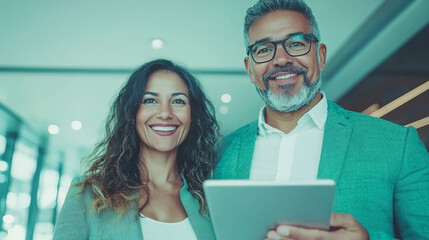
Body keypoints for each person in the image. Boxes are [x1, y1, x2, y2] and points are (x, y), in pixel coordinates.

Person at [215, 0, 429, 239]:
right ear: (250, 69)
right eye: (264, 50)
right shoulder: (219, 155)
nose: (282, 59)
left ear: (321, 56)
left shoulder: (398, 145)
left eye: (296, 43)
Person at [53, 59, 219, 240]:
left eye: (178, 101)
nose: (165, 113)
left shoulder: (209, 199)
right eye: (150, 100)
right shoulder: (87, 195)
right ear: (132, 113)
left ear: (193, 116)